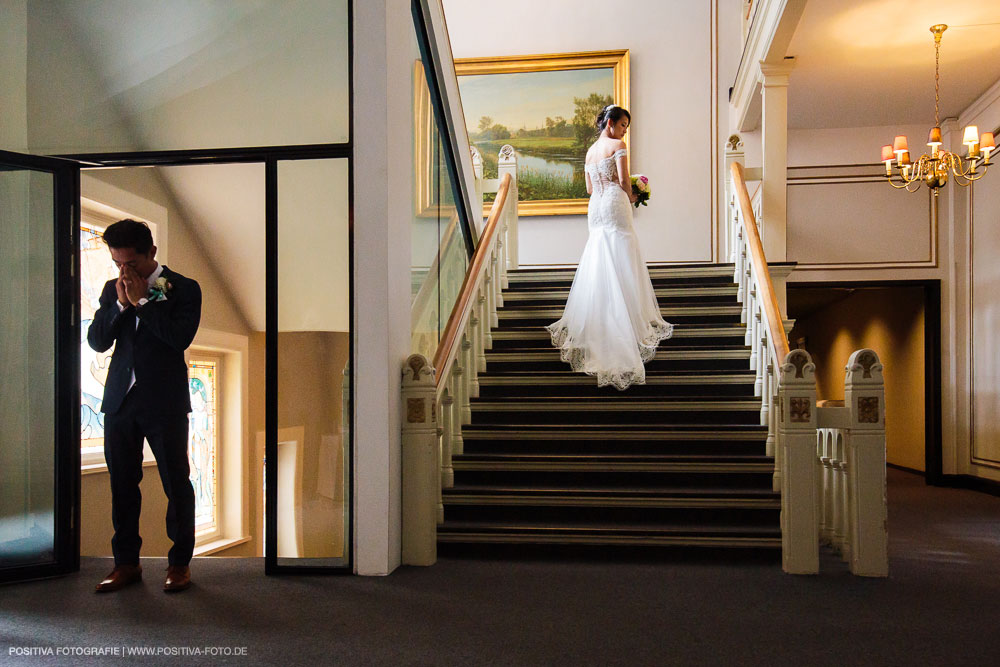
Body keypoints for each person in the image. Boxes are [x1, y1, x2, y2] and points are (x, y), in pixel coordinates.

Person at [87, 219, 202, 593]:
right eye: (117, 263)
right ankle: (126, 564)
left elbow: (178, 339)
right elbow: (98, 342)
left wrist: (140, 302)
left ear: (151, 253)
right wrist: (121, 304)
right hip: (120, 402)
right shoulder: (112, 288)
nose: (124, 271)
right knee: (122, 484)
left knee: (176, 484)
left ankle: (180, 564)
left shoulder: (184, 288)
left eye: (131, 264)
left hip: (164, 402)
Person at [547, 105, 673, 390]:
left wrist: (620, 188)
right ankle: (626, 318)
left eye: (626, 127)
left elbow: (590, 188)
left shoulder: (590, 151)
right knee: (622, 250)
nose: (625, 130)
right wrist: (634, 193)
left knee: (600, 252)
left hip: (596, 207)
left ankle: (601, 323)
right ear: (611, 123)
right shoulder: (618, 145)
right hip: (615, 201)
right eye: (623, 124)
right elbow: (624, 179)